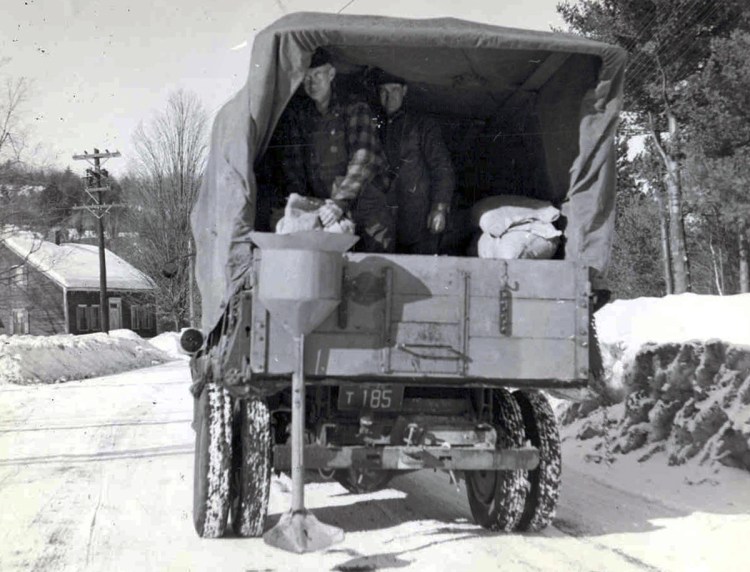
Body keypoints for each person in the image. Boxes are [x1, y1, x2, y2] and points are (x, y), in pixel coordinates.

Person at [279, 49, 395, 252]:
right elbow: (294, 162)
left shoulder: (354, 107)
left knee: (376, 267)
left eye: (317, 75)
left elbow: (364, 158)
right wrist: (302, 201)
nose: (312, 83)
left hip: (365, 204)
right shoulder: (301, 115)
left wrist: (340, 202)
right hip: (325, 205)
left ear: (331, 74)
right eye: (306, 77)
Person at [374, 69, 456, 254]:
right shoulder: (374, 125)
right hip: (384, 219)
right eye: (384, 92)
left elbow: (441, 167)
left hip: (419, 217)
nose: (389, 97)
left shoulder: (422, 125)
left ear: (404, 91)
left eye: (394, 90)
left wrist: (440, 208)